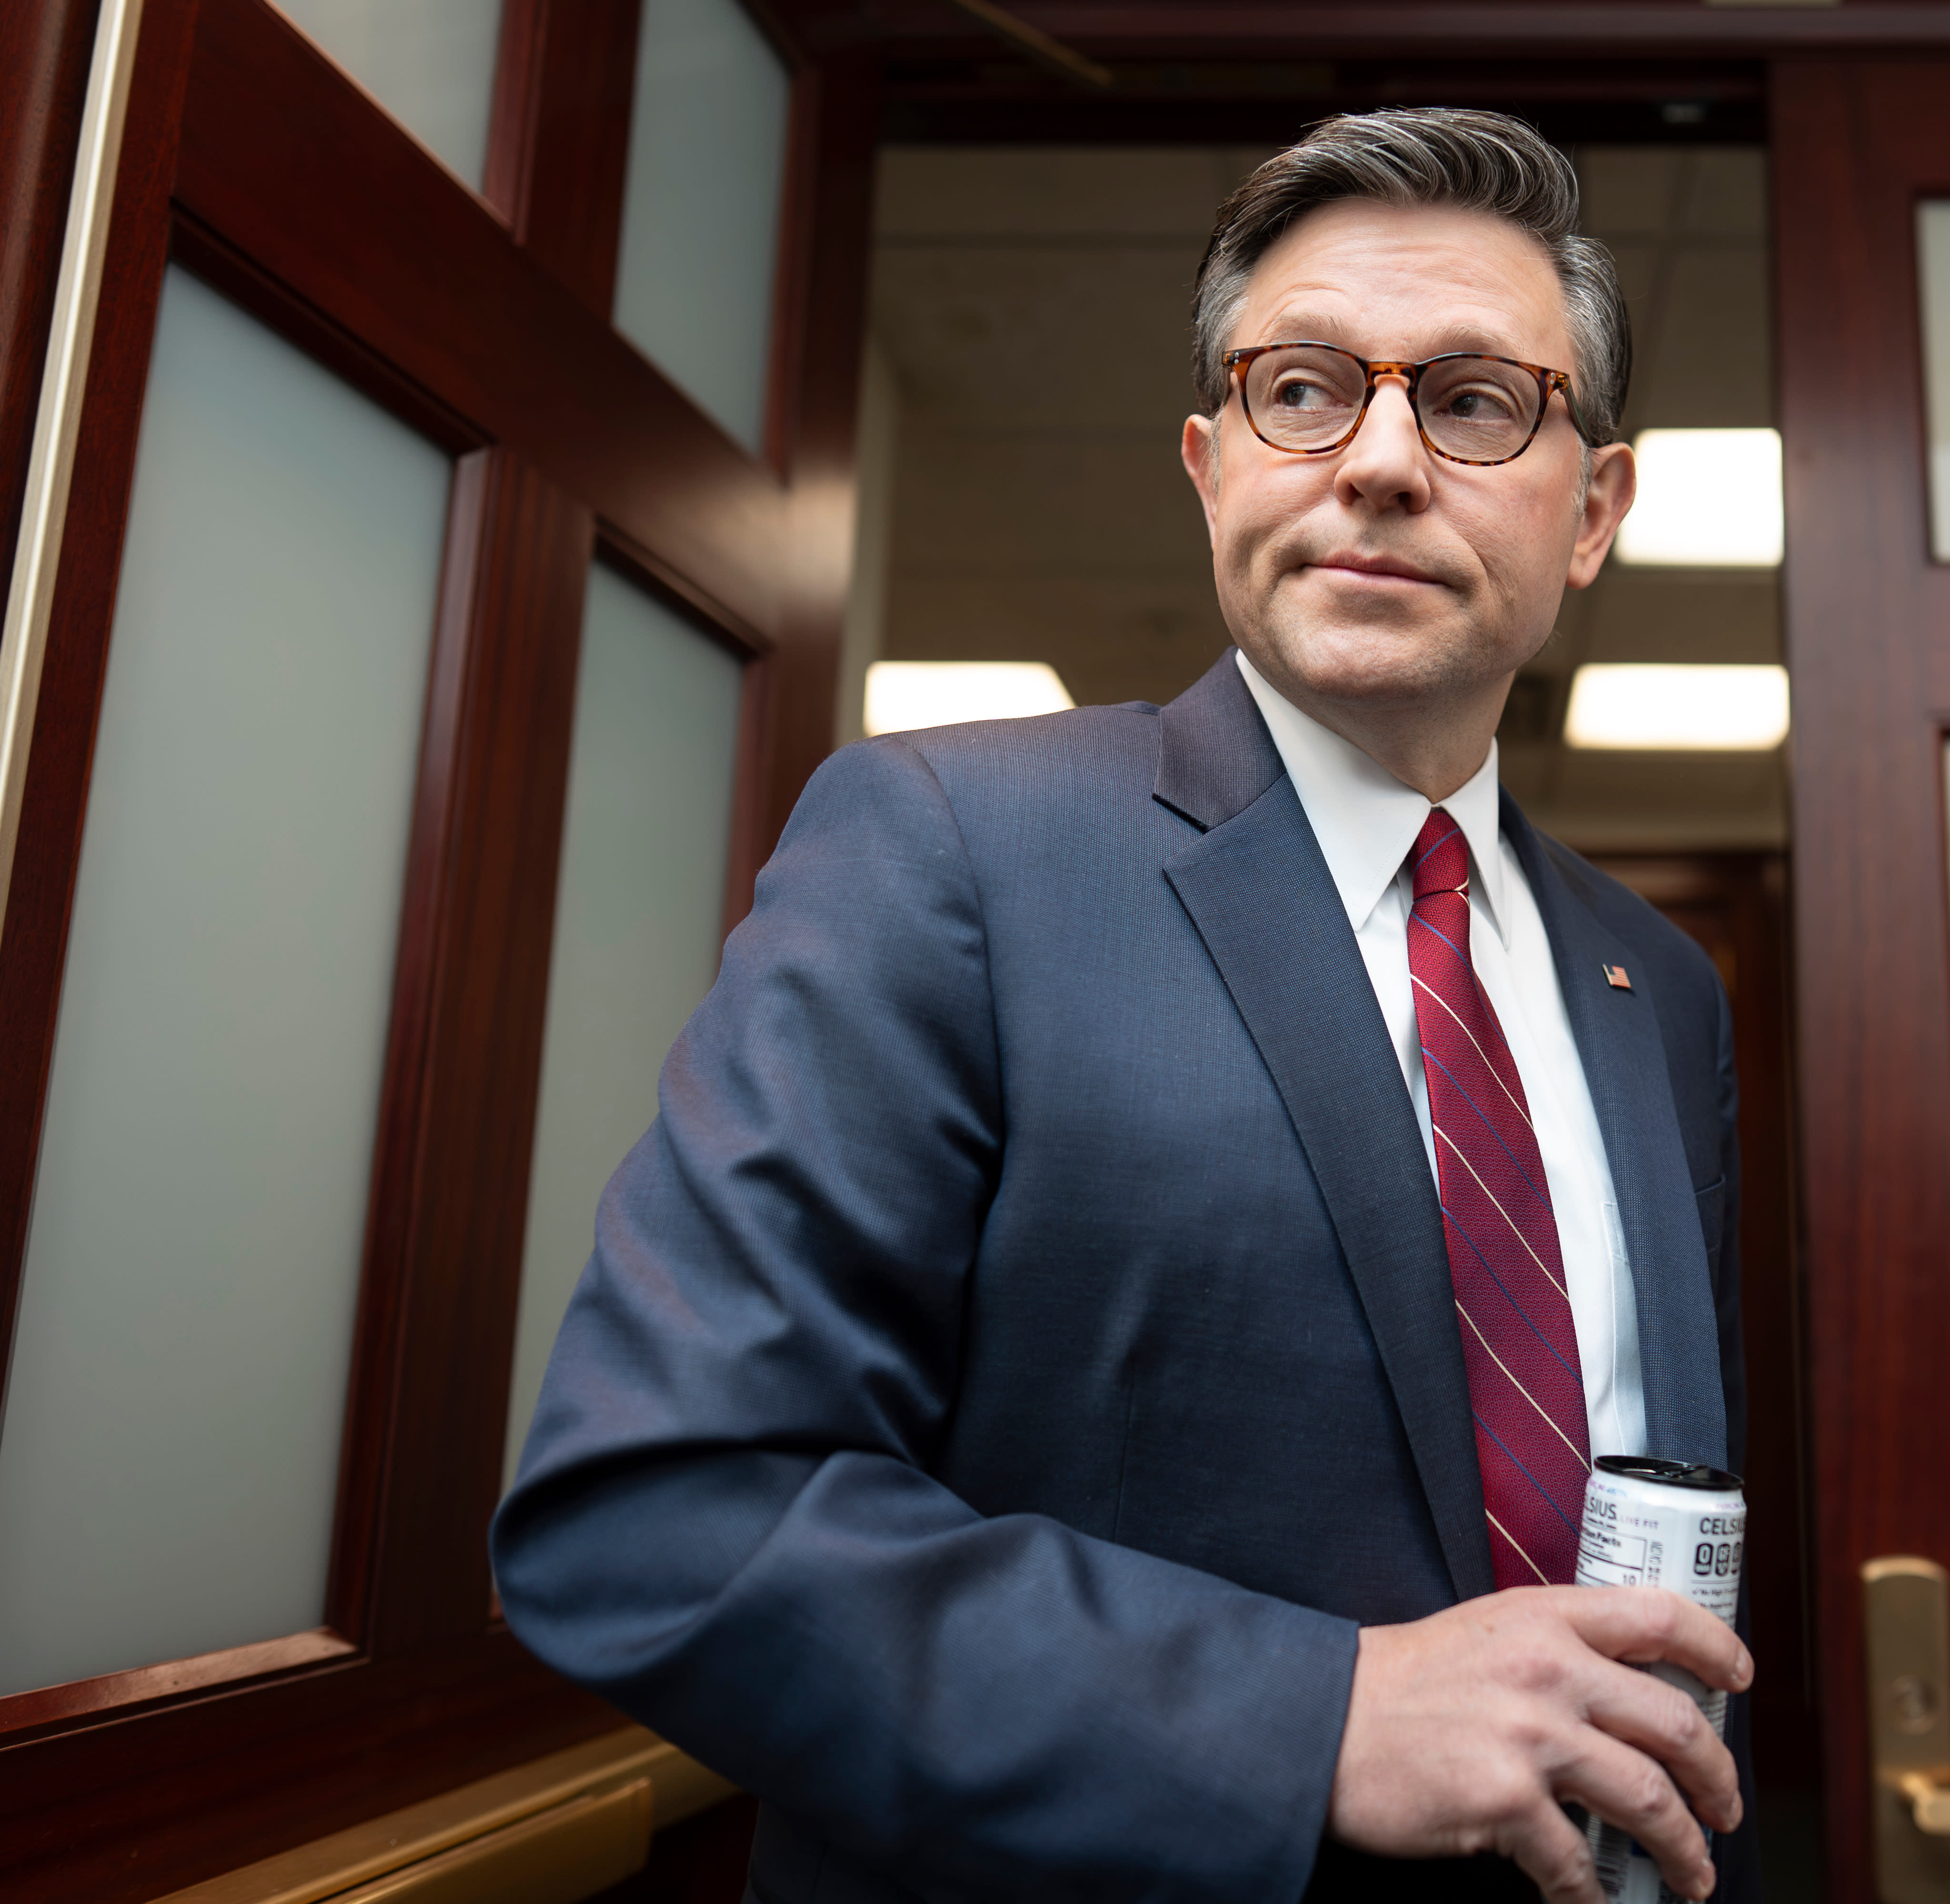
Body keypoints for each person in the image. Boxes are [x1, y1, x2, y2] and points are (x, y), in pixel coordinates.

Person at [492, 108, 1756, 1904]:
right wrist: (1318, 1717)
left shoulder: (1659, 989)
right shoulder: (952, 847)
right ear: (1211, 466)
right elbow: (658, 1515)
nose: (1380, 461)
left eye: (1477, 403)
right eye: (1304, 390)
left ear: (1597, 513)